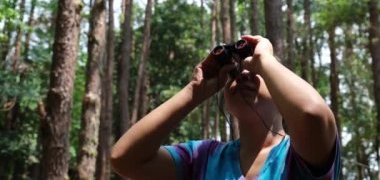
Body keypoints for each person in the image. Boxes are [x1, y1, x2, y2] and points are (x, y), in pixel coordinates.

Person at [111, 35, 341, 179]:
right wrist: (194, 91)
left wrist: (265, 60)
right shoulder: (203, 158)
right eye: (235, 74)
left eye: (257, 74)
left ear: (282, 94)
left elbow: (313, 114)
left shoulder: (298, 156)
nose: (242, 77)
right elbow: (124, 159)